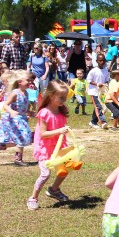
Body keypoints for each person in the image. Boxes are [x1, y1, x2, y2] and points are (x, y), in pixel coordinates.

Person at [27, 80, 72, 210]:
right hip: (45, 148)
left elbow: (61, 130)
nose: (63, 100)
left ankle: (54, 189)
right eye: (61, 97)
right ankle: (33, 198)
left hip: (58, 146)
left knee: (66, 168)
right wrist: (59, 131)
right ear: (51, 96)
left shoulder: (61, 112)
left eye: (65, 97)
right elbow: (43, 134)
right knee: (45, 174)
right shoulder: (44, 113)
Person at [0, 70, 32, 165]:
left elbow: (24, 106)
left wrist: (29, 112)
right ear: (19, 81)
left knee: (22, 139)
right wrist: (11, 111)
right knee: (22, 139)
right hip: (14, 120)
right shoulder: (15, 93)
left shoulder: (26, 93)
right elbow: (5, 105)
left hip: (22, 119)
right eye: (27, 80)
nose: (30, 82)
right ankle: (18, 159)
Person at [87, 53, 109, 129]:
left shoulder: (106, 71)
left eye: (103, 60)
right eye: (100, 60)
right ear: (97, 61)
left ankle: (93, 121)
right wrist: (97, 84)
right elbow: (89, 80)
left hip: (102, 92)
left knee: (102, 106)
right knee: (98, 106)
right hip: (93, 91)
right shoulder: (93, 71)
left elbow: (106, 80)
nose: (101, 62)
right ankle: (103, 121)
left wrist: (105, 84)